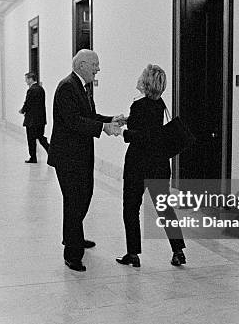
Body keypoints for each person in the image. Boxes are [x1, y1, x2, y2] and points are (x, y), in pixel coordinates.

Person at [47, 49, 124, 272]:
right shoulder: (67, 87)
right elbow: (73, 121)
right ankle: (72, 253)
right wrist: (103, 128)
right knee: (73, 202)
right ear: (81, 65)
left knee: (84, 196)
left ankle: (74, 237)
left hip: (80, 155)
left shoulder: (82, 87)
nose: (98, 69)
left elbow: (88, 116)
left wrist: (111, 119)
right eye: (94, 65)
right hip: (67, 156)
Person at [116, 64, 186, 267]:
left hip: (138, 163)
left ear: (145, 82)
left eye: (142, 75)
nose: (138, 77)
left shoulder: (138, 104)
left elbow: (141, 135)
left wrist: (123, 133)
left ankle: (133, 253)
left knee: (131, 208)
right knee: (165, 209)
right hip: (159, 163)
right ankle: (178, 250)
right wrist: (129, 120)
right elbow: (152, 129)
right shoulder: (159, 104)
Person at [18, 72, 49, 163]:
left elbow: (28, 102)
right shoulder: (41, 89)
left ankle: (33, 157)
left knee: (31, 139)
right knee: (40, 137)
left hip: (32, 120)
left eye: (26, 79)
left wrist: (22, 110)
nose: (25, 81)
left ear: (31, 79)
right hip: (40, 119)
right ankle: (51, 151)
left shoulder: (31, 90)